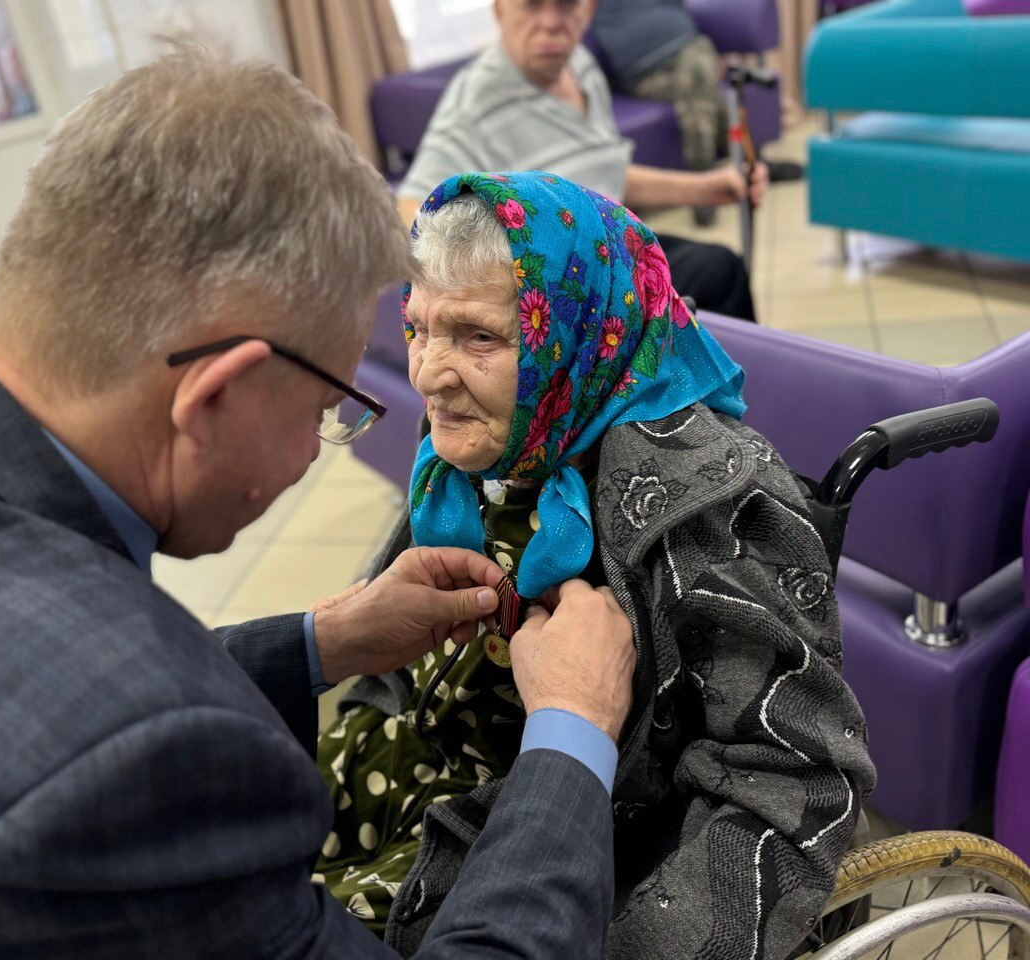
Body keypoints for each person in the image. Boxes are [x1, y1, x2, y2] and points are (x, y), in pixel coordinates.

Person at [0, 50, 638, 958]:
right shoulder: (146, 755)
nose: (316, 447)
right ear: (216, 397)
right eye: (323, 410)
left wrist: (320, 643)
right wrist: (571, 736)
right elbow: (97, 724)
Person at [316, 171, 876, 959]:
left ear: (575, 330)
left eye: (477, 337)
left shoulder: (708, 502)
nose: (428, 374)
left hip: (553, 829)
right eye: (418, 327)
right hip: (409, 768)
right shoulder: (482, 442)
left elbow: (793, 777)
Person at [396, 0, 767, 322]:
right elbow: (411, 210)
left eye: (566, 4)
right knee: (719, 272)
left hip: (612, 250)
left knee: (721, 272)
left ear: (587, 11)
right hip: (562, 291)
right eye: (532, 4)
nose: (551, 22)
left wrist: (709, 188)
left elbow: (602, 174)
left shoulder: (581, 66)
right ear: (500, 11)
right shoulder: (476, 99)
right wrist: (499, 287)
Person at [590, 0, 725, 226]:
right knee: (699, 82)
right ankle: (720, 173)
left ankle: (706, 181)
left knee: (696, 72)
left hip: (688, 51)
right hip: (645, 75)